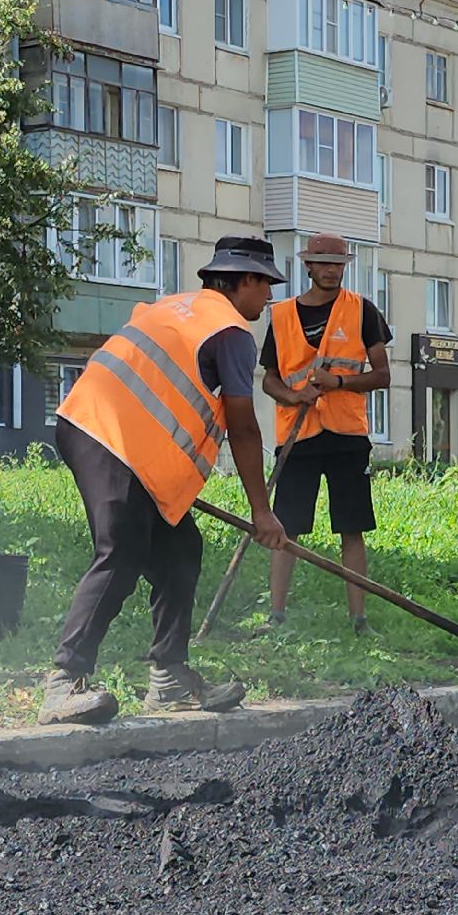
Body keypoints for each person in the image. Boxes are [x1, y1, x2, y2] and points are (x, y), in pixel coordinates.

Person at [41, 236, 290, 725]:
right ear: (244, 281)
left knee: (180, 549)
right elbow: (242, 426)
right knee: (123, 549)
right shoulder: (231, 331)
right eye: (265, 286)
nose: (269, 298)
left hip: (99, 427)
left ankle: (170, 676)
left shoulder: (178, 307)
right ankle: (63, 681)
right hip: (108, 434)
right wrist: (262, 511)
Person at [258, 233, 391, 635]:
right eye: (324, 263)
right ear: (308, 267)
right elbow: (269, 379)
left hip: (346, 435)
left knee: (352, 526)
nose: (332, 270)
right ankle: (277, 615)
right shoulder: (281, 316)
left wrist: (338, 382)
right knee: (287, 526)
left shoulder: (362, 311)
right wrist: (293, 395)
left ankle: (359, 620)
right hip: (298, 438)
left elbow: (382, 375)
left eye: (338, 263)